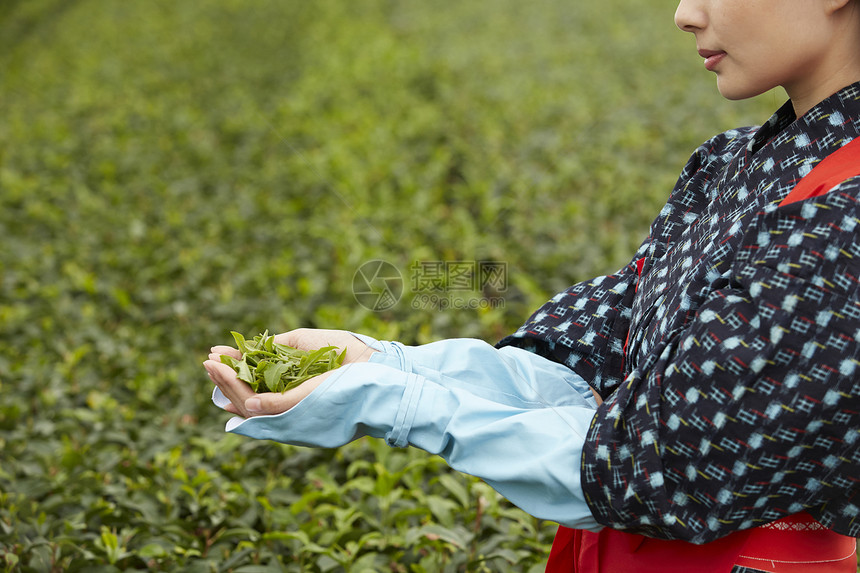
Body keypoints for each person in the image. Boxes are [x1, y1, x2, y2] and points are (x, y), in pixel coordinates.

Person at [204, 0, 860, 570]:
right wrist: (376, 360)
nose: (685, 13)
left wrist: (390, 399)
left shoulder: (846, 218)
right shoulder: (728, 167)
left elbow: (653, 462)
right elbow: (594, 364)